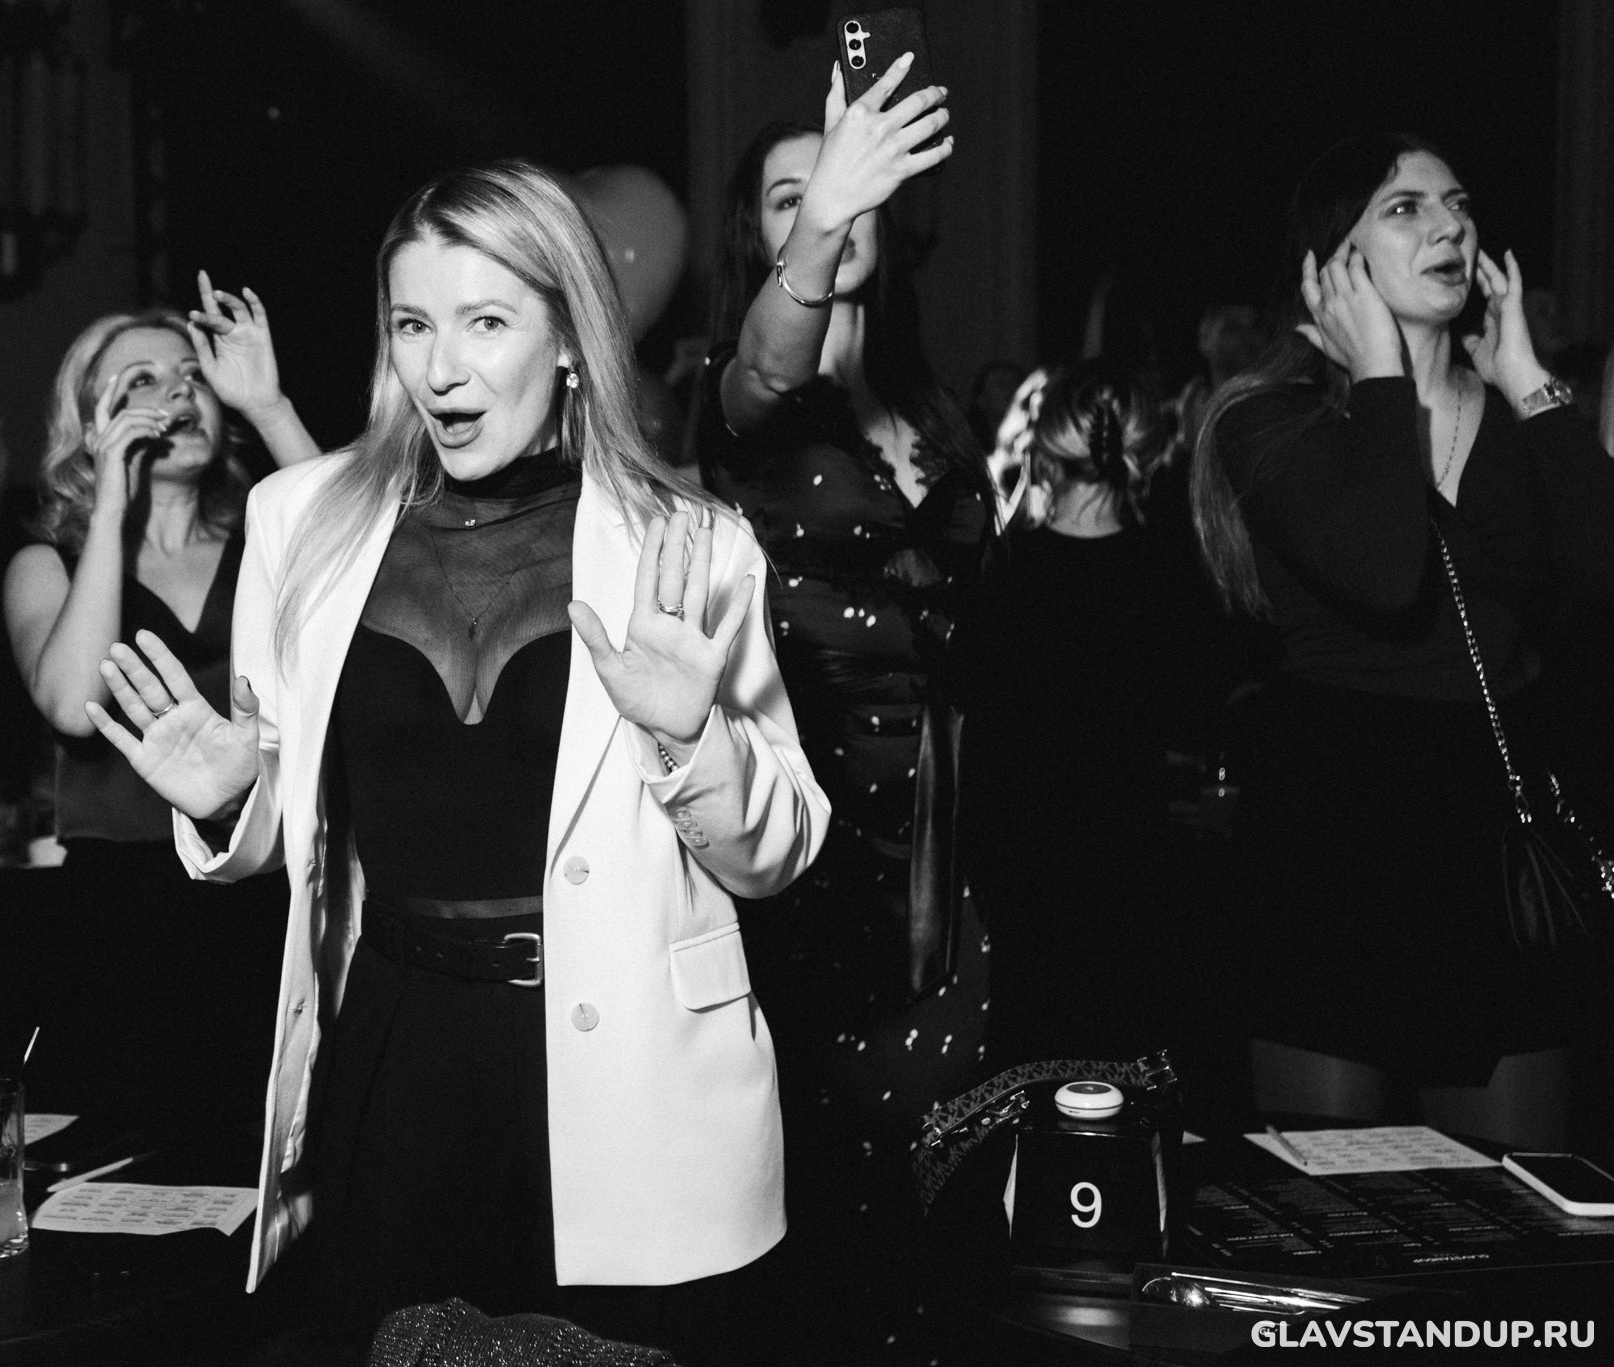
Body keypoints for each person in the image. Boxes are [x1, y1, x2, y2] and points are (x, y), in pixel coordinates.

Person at [84, 159, 827, 1365]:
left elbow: (775, 851)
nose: (439, 368)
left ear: (570, 336)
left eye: (485, 322)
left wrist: (692, 735)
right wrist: (230, 801)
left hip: (629, 1076)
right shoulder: (301, 520)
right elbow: (285, 828)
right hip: (396, 1056)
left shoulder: (687, 544)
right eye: (412, 324)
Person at [1191, 134, 1614, 1149]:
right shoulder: (1268, 421)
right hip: (1331, 846)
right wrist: (1383, 373)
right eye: (1404, 208)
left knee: (1521, 1205)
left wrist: (1527, 378)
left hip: (1493, 858)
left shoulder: (1518, 421)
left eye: (1457, 204)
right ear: (1330, 265)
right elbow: (1383, 572)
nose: (1448, 226)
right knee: (1332, 1214)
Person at [689, 57, 989, 1364]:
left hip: (948, 840)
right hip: (811, 836)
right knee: (820, 1192)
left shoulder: (934, 410)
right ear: (758, 238)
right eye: (792, 198)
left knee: (944, 1181)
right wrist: (823, 223)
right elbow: (769, 359)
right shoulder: (740, 403)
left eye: (849, 187)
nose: (831, 206)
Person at [2, 280, 317, 1131]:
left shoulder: (272, 536)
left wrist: (272, 405)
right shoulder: (50, 561)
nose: (177, 394)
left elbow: (369, 558)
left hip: (261, 882)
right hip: (117, 911)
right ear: (89, 421)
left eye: (192, 376)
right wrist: (110, 502)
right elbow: (73, 704)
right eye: (141, 381)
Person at [954, 361, 1215, 1068]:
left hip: (1023, 873)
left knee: (1032, 1073)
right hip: (1134, 865)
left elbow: (969, 717)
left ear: (1044, 452)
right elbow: (1194, 715)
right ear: (1146, 453)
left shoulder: (1002, 573)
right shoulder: (1173, 575)